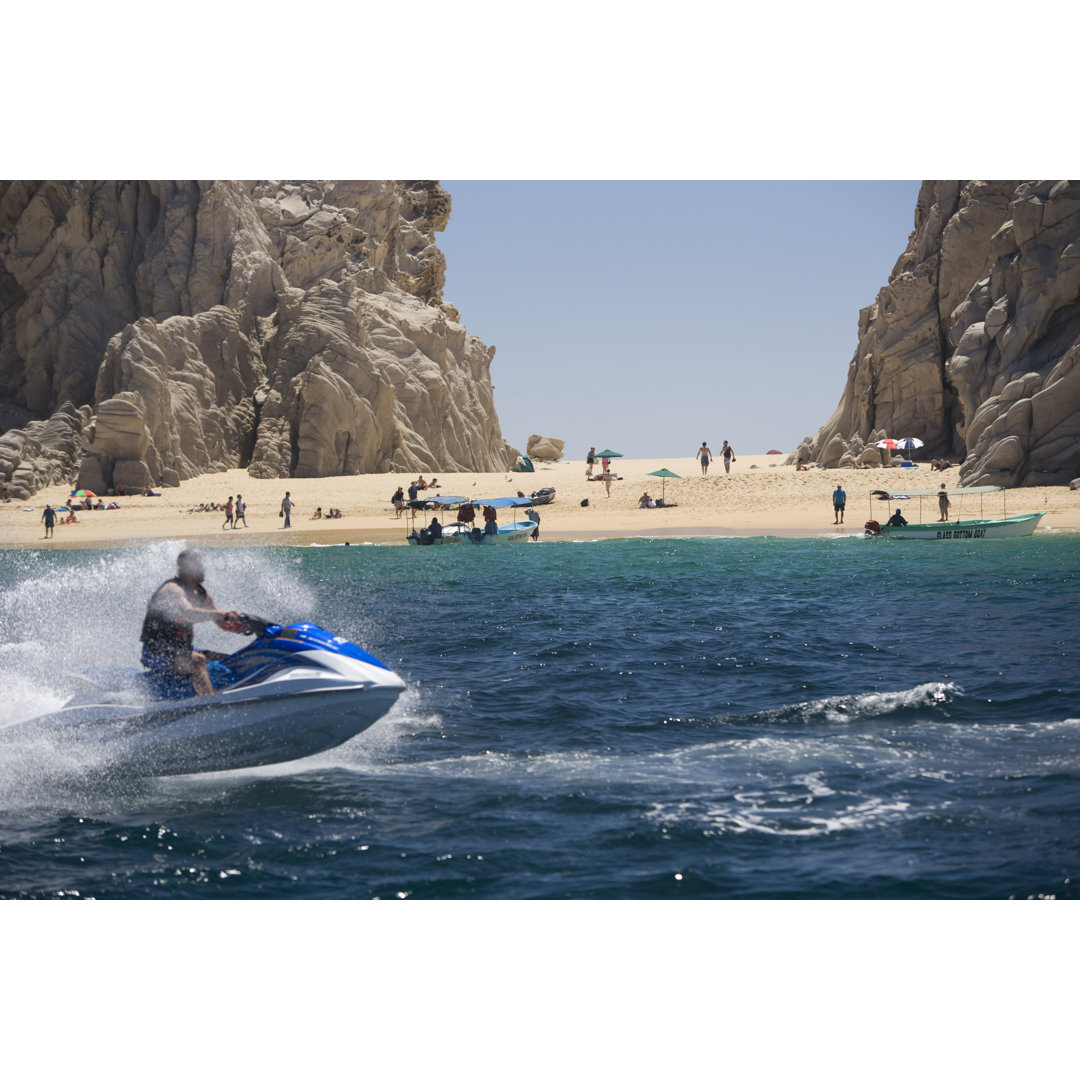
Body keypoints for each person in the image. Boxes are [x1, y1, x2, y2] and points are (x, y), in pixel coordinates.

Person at [140, 548, 252, 697]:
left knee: (229, 659)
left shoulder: (202, 595)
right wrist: (221, 615)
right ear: (185, 568)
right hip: (156, 652)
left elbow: (221, 622)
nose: (203, 568)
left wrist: (242, 626)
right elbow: (188, 613)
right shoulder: (172, 589)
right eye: (198, 564)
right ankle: (210, 704)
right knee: (198, 660)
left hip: (181, 649)